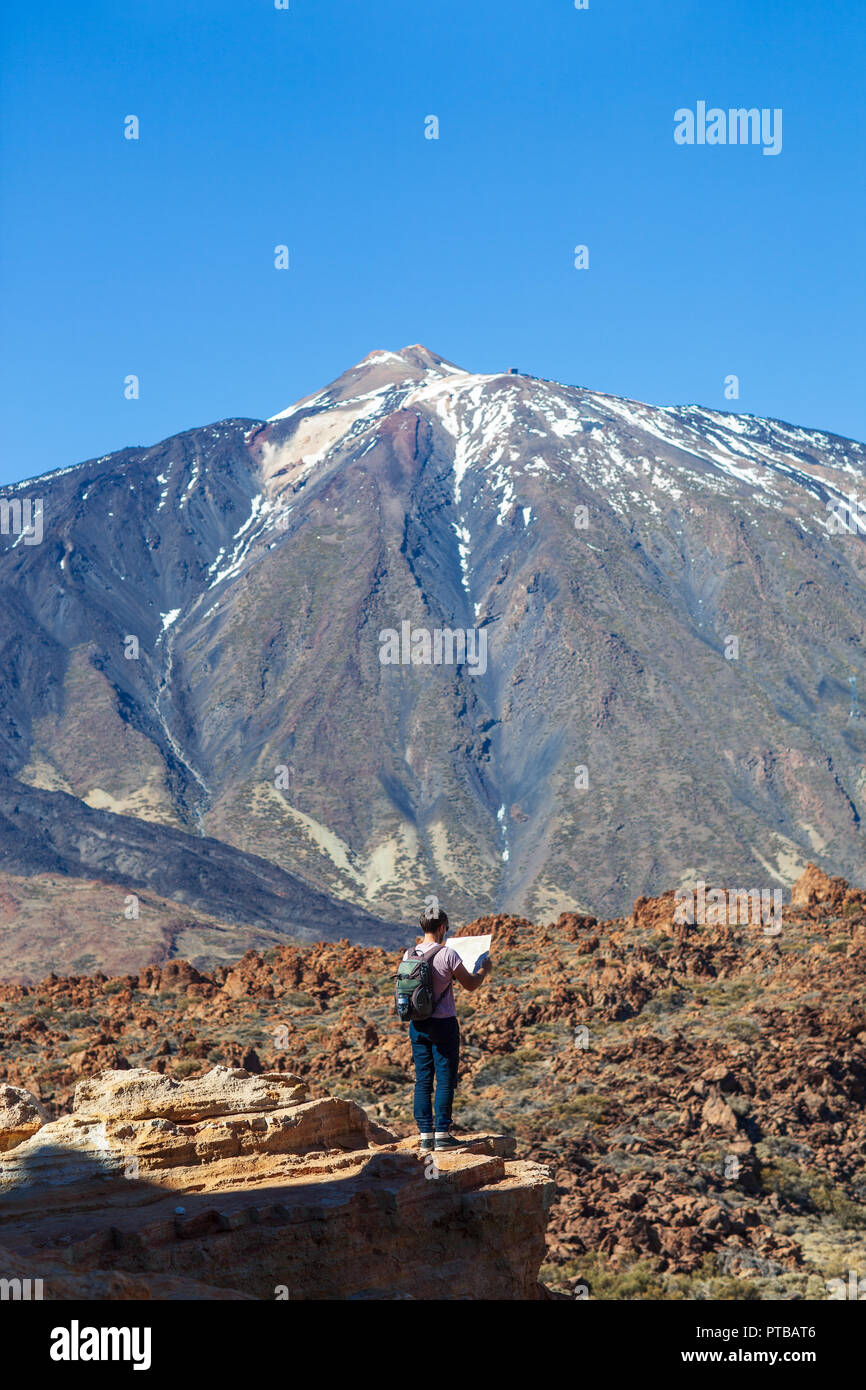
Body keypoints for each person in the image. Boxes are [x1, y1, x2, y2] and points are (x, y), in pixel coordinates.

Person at [404, 904, 491, 1153]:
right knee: (444, 1079)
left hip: (417, 1023)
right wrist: (484, 969)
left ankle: (425, 1136)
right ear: (442, 928)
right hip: (443, 1024)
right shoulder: (448, 954)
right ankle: (442, 1134)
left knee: (422, 1080)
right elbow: (471, 984)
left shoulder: (408, 954)